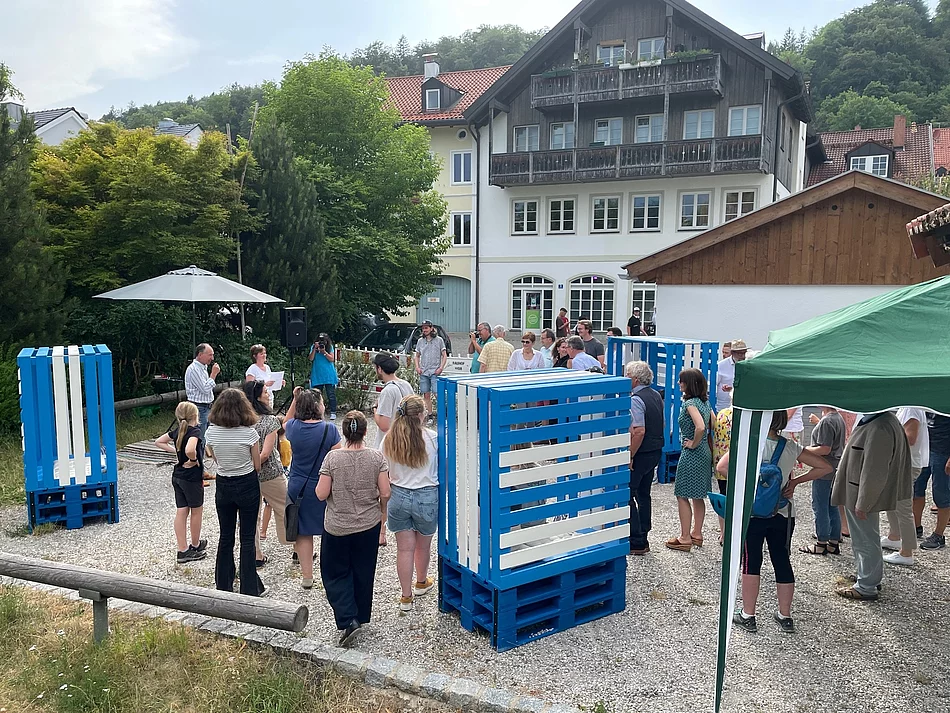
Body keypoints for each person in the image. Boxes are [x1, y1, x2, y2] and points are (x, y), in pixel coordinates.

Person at [720, 410, 832, 633]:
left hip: (753, 513)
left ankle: (748, 614)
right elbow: (826, 467)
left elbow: (722, 467)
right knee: (781, 560)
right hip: (782, 512)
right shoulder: (790, 446)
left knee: (751, 561)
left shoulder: (749, 444)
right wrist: (796, 482)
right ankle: (785, 615)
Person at [316, 410, 391, 646]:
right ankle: (360, 614)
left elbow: (321, 493)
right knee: (363, 570)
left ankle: (348, 618)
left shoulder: (332, 458)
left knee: (335, 572)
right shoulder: (377, 458)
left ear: (343, 431)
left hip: (338, 525)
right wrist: (380, 510)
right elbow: (386, 492)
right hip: (368, 524)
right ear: (365, 431)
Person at [832, 411, 912, 600]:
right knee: (866, 537)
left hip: (859, 494)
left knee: (865, 539)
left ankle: (866, 585)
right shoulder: (880, 420)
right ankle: (867, 576)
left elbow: (875, 470)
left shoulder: (880, 427)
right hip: (857, 491)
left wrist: (864, 502)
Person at [204, 388, 265, 596]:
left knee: (225, 536)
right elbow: (257, 465)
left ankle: (223, 584)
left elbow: (214, 458)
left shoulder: (211, 432)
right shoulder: (249, 433)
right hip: (247, 482)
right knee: (247, 538)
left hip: (224, 483)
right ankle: (249, 588)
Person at [381, 394, 438, 613]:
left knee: (404, 549)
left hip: (398, 495)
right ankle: (421, 582)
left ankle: (406, 597)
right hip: (426, 495)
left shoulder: (390, 438)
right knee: (423, 546)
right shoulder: (433, 438)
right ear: (421, 415)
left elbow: (382, 467)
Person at [284, 387, 342, 589]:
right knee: (329, 529)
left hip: (297, 484)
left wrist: (294, 399)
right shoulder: (330, 430)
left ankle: (307, 576)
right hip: (323, 483)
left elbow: (284, 423)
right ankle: (331, 575)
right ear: (317, 407)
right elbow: (337, 458)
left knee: (303, 532)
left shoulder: (292, 427)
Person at [241, 380, 290, 567]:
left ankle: (256, 554)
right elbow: (266, 453)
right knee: (286, 508)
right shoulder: (269, 421)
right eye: (265, 392)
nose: (268, 394)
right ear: (258, 397)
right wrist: (255, 464)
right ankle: (296, 546)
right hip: (270, 473)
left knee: (251, 515)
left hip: (247, 474)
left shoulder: (242, 422)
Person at [154, 401, 208, 563]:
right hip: (191, 477)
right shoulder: (195, 432)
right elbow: (191, 449)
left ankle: (182, 549)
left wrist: (176, 453)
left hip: (177, 475)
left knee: (182, 511)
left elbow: (159, 441)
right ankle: (195, 544)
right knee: (196, 511)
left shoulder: (177, 431)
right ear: (195, 415)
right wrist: (192, 459)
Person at [666, 368, 713, 552]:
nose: (679, 383)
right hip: (705, 452)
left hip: (692, 452)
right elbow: (712, 424)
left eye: (681, 381)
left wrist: (693, 443)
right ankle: (697, 533)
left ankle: (684, 537)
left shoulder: (690, 404)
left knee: (682, 493)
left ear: (689, 384)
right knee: (698, 494)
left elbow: (700, 426)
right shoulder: (705, 403)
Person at [626, 361, 664, 555]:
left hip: (640, 452)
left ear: (635, 379)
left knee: (628, 494)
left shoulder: (635, 399)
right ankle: (644, 535)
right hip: (655, 450)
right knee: (644, 493)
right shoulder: (656, 395)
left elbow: (639, 431)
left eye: (627, 375)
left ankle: (636, 539)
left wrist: (630, 454)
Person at [882, 407, 927, 565]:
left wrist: (884, 437)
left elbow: (910, 438)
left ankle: (906, 552)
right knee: (892, 501)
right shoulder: (907, 408)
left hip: (906, 463)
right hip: (901, 461)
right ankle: (894, 537)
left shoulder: (911, 408)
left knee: (903, 506)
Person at [799, 407, 846, 556]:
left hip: (824, 468)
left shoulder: (827, 421)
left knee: (820, 506)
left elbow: (825, 449)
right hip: (835, 466)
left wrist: (802, 450)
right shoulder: (838, 418)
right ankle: (833, 541)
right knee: (832, 505)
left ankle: (821, 542)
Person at [915, 413, 950, 551]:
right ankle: (916, 526)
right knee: (916, 488)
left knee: (941, 494)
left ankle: (939, 535)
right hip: (926, 448)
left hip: (943, 452)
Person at [185, 343, 220, 438]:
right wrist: (213, 375)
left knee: (207, 437)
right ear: (200, 355)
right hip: (199, 408)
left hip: (206, 407)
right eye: (210, 355)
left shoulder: (203, 368)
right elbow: (205, 389)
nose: (212, 358)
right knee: (201, 438)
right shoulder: (194, 369)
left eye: (212, 355)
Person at [711, 395, 733, 544]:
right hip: (734, 462)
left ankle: (723, 533)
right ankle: (731, 532)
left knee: (723, 495)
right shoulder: (743, 417)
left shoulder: (721, 414)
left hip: (719, 460)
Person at [414, 321, 446, 419]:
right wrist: (417, 367)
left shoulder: (439, 340)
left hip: (434, 371)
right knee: (426, 394)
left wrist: (441, 367)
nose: (424, 330)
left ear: (431, 328)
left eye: (426, 328)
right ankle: (430, 415)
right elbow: (417, 356)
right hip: (424, 371)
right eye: (423, 328)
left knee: (437, 393)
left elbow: (444, 355)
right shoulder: (420, 341)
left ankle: (443, 414)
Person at [309, 333, 339, 421]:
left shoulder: (330, 347)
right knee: (317, 394)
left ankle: (333, 412)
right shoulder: (314, 347)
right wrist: (315, 349)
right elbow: (310, 358)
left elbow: (332, 359)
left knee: (331, 394)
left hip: (328, 374)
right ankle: (318, 412)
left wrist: (324, 352)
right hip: (318, 373)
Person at [714, 338, 747, 412]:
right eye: (739, 353)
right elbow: (713, 386)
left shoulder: (747, 365)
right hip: (723, 408)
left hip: (741, 407)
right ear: (733, 353)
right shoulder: (721, 365)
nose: (742, 356)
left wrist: (732, 389)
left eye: (744, 353)